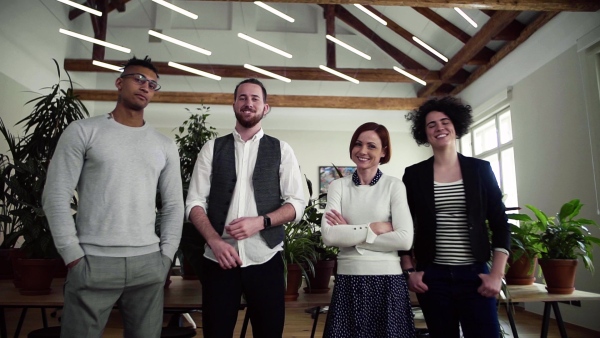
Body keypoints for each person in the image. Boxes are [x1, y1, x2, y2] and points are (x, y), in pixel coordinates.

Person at [42, 56, 184, 338]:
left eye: (152, 84)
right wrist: (72, 256)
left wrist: (166, 257)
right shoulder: (84, 131)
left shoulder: (164, 145)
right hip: (93, 260)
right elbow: (56, 195)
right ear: (119, 82)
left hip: (148, 263)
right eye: (138, 79)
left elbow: (173, 206)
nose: (145, 86)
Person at [185, 78, 305, 338]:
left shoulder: (282, 150)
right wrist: (215, 241)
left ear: (266, 107)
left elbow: (297, 204)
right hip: (218, 260)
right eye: (242, 97)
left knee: (269, 333)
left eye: (255, 98)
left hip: (266, 257)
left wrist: (260, 222)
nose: (248, 103)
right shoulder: (212, 148)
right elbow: (194, 202)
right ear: (234, 104)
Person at [400, 97, 510, 338]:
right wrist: (410, 271)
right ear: (424, 133)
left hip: (476, 276)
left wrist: (496, 275)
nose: (439, 128)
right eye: (431, 125)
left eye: (445, 121)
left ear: (455, 126)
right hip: (432, 277)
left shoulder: (480, 170)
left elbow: (500, 224)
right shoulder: (414, 174)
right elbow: (403, 224)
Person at [321, 122, 415, 338]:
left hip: (388, 281)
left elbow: (404, 240)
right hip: (348, 279)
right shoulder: (338, 186)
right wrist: (374, 228)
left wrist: (350, 234)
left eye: (371, 146)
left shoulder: (394, 186)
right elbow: (329, 235)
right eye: (358, 144)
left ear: (383, 152)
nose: (363, 151)